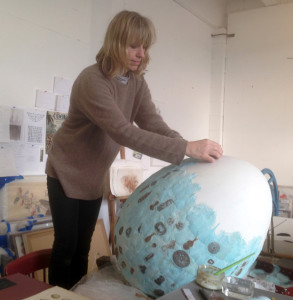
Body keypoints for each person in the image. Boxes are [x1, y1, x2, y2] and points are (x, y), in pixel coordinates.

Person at [45, 10, 223, 289]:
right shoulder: (92, 81)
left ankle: (74, 295)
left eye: (145, 46)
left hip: (92, 177)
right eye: (133, 45)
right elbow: (123, 132)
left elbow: (154, 124)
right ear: (115, 42)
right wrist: (185, 147)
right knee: (66, 246)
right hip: (65, 172)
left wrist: (188, 151)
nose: (141, 53)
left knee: (82, 248)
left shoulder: (136, 82)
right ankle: (55, 296)